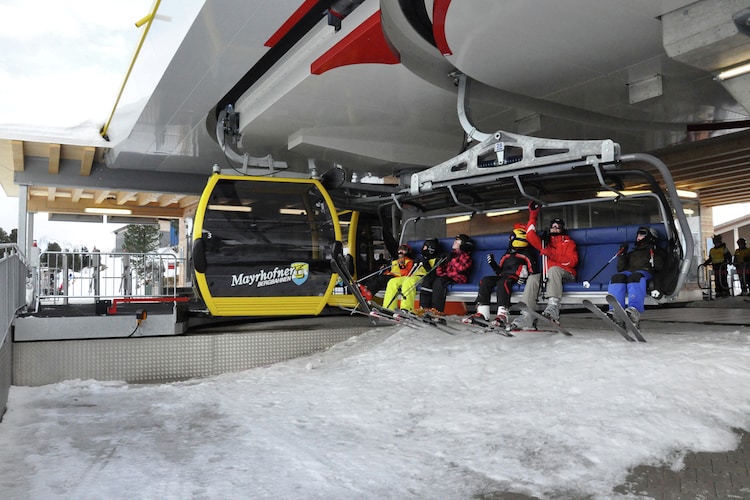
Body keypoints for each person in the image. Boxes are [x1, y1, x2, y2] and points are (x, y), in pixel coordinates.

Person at [510, 203, 578, 330]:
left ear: (563, 228)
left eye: (558, 227)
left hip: (567, 274)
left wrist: (551, 254)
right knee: (534, 277)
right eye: (553, 226)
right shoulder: (545, 243)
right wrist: (533, 215)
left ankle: (553, 307)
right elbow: (530, 235)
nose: (555, 229)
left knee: (554, 270)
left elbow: (572, 262)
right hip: (550, 277)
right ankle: (527, 316)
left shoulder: (569, 243)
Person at [463, 225, 538, 327]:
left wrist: (525, 277)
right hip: (504, 276)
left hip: (514, 278)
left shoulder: (527, 254)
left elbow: (533, 270)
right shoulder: (507, 254)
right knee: (485, 280)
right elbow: (500, 272)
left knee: (504, 282)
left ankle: (503, 314)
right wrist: (493, 264)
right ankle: (482, 313)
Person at [606, 226, 665, 328]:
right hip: (629, 273)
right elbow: (621, 268)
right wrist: (623, 254)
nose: (639, 236)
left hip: (644, 273)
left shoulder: (656, 251)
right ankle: (616, 311)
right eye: (638, 234)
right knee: (617, 277)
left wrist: (653, 254)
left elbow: (659, 267)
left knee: (635, 277)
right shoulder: (633, 252)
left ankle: (634, 310)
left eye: (642, 234)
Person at [419, 234, 473, 314]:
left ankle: (437, 309)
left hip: (457, 278)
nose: (455, 242)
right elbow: (440, 272)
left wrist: (452, 259)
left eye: (458, 241)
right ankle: (424, 307)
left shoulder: (466, 256)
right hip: (448, 276)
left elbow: (461, 268)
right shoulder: (451, 254)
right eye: (455, 241)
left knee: (439, 282)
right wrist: (441, 263)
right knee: (429, 279)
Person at [383, 238, 441, 312]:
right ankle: (388, 308)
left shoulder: (436, 259)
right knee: (393, 282)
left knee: (408, 281)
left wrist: (425, 262)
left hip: (422, 277)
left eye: (425, 247)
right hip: (412, 275)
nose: (422, 249)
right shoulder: (419, 258)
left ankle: (406, 308)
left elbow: (433, 273)